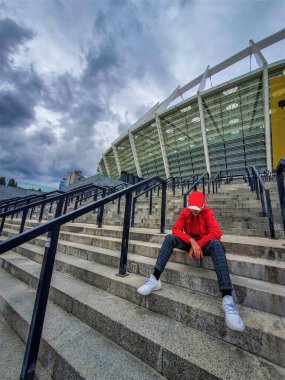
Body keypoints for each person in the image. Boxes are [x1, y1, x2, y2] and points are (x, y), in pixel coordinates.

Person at [137, 191, 245, 332]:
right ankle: (155, 279)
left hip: (204, 244)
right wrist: (192, 241)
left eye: (197, 209)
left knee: (217, 245)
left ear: (202, 206)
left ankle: (227, 299)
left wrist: (198, 244)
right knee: (169, 238)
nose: (194, 212)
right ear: (188, 206)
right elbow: (176, 229)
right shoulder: (185, 212)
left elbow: (216, 233)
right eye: (192, 209)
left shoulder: (207, 212)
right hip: (189, 242)